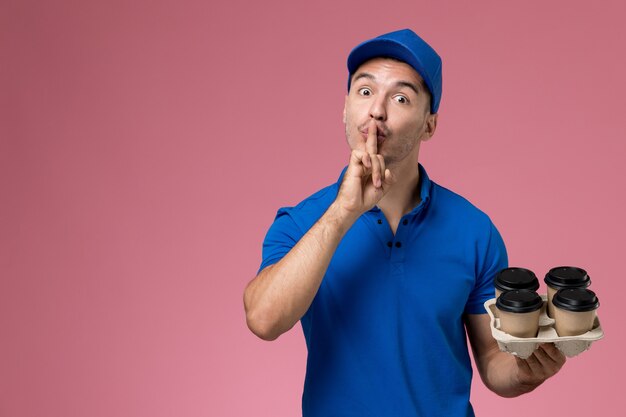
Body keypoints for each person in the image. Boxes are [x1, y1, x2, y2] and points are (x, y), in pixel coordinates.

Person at [244, 29, 566, 416]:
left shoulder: (475, 232)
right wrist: (342, 213)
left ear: (429, 125)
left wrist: (527, 369)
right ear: (345, 110)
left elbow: (493, 362)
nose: (377, 110)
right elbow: (263, 319)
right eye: (365, 92)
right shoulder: (302, 222)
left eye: (400, 98)